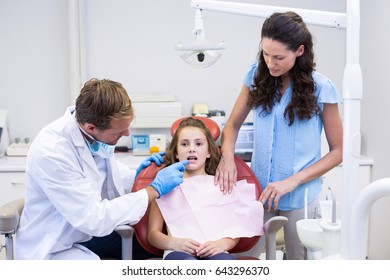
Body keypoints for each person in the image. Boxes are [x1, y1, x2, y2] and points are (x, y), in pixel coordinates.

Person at [214, 12, 343, 260]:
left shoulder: (322, 88)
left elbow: (338, 151)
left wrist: (293, 181)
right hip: (259, 192)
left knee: (298, 263)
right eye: (265, 53)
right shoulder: (256, 76)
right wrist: (226, 158)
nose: (270, 63)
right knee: (245, 257)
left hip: (301, 196)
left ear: (300, 51)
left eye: (279, 57)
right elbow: (231, 125)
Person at [16, 78, 188, 260]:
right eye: (118, 132)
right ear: (91, 127)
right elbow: (93, 218)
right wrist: (153, 190)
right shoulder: (52, 152)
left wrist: (139, 177)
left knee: (149, 244)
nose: (127, 134)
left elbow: (106, 177)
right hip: (55, 243)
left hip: (81, 232)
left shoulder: (93, 139)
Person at [147, 117, 264, 260]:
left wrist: (221, 244)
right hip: (178, 253)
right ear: (176, 153)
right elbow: (153, 234)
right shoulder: (164, 186)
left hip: (217, 252)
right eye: (184, 144)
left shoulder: (222, 185)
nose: (191, 148)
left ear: (209, 151)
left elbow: (234, 231)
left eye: (198, 144)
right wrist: (175, 243)